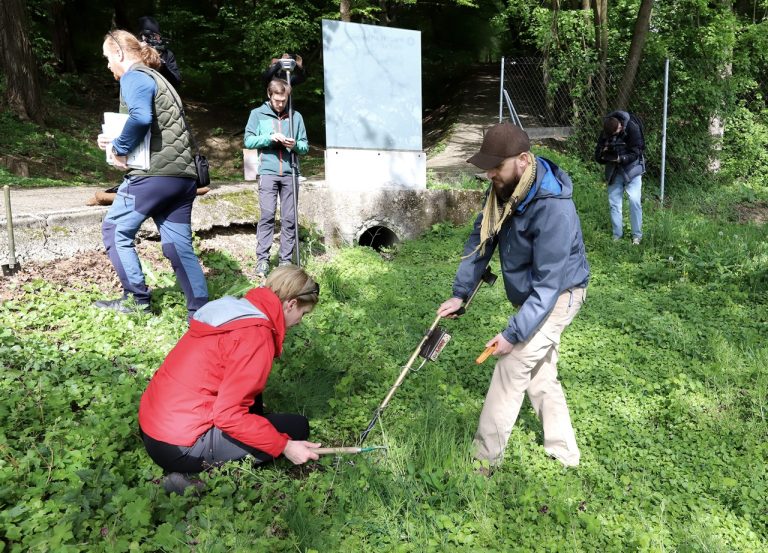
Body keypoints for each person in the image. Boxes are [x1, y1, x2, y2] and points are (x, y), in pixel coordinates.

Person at [437, 122, 590, 470]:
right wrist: (461, 294)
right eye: (487, 166)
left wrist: (512, 335)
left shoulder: (554, 209)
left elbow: (549, 286)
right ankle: (565, 453)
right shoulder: (505, 192)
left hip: (559, 295)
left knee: (512, 363)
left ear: (523, 160)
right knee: (540, 375)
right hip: (537, 294)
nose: (489, 173)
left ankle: (482, 462)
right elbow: (481, 240)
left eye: (497, 166)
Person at [138, 265, 322, 494]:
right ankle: (185, 477)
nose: (299, 322)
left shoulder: (240, 311)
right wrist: (284, 446)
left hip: (154, 423)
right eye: (302, 314)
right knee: (296, 428)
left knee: (254, 407)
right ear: (291, 304)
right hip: (177, 446)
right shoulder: (256, 336)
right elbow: (228, 417)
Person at [96, 30, 208, 317]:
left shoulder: (134, 76)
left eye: (109, 58)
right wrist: (112, 139)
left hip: (154, 176)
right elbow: (156, 123)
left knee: (115, 230)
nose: (109, 66)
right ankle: (200, 310)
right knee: (177, 244)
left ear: (120, 53)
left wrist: (120, 147)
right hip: (182, 178)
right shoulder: (161, 80)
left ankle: (137, 301)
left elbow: (141, 118)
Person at [244, 79, 309, 278]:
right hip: (268, 172)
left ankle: (285, 261)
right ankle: (262, 259)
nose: (280, 104)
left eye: (284, 100)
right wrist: (269, 138)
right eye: (277, 100)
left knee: (289, 219)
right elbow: (248, 140)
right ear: (269, 95)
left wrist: (294, 144)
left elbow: (305, 147)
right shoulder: (257, 114)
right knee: (267, 216)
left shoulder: (296, 116)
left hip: (290, 173)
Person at [594, 110, 646, 245]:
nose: (618, 132)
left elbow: (637, 152)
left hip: (632, 168)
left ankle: (637, 236)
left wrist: (620, 158)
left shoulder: (632, 128)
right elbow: (597, 156)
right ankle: (617, 236)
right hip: (614, 170)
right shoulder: (606, 131)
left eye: (619, 130)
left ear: (621, 125)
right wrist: (603, 154)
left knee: (634, 201)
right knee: (614, 203)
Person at [137, 16, 182, 89]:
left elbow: (176, 82)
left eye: (155, 35)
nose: (152, 39)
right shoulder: (134, 51)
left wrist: (162, 65)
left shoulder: (166, 54)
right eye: (147, 36)